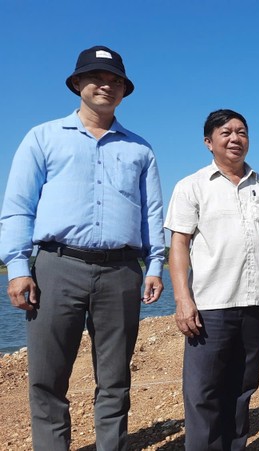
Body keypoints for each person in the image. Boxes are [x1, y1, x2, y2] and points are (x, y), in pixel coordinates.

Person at [0, 45, 165, 450]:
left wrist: (156, 264)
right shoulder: (42, 137)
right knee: (47, 377)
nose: (106, 86)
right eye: (96, 78)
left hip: (122, 271)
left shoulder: (139, 149)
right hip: (56, 267)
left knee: (114, 378)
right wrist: (18, 266)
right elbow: (18, 207)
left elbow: (152, 214)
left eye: (115, 81)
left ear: (124, 90)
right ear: (77, 84)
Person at [165, 109, 259, 450]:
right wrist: (183, 299)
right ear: (209, 142)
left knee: (243, 386)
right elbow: (178, 244)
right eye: (226, 133)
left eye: (242, 132)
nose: (236, 138)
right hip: (211, 304)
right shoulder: (191, 186)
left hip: (255, 303)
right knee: (203, 391)